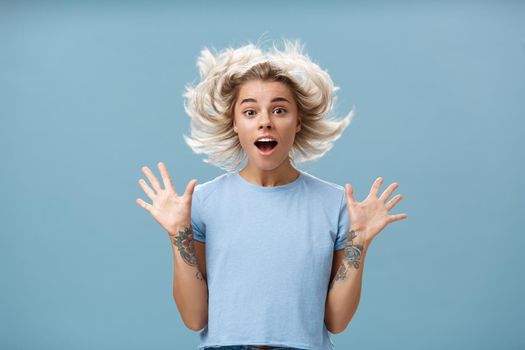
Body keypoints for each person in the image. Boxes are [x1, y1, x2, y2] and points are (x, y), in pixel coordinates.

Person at [136, 40, 408, 350]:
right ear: (235, 124)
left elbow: (336, 321)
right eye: (250, 111)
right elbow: (194, 318)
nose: (265, 121)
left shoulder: (334, 205)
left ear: (298, 121)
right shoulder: (202, 203)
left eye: (280, 110)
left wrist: (359, 242)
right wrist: (178, 235)